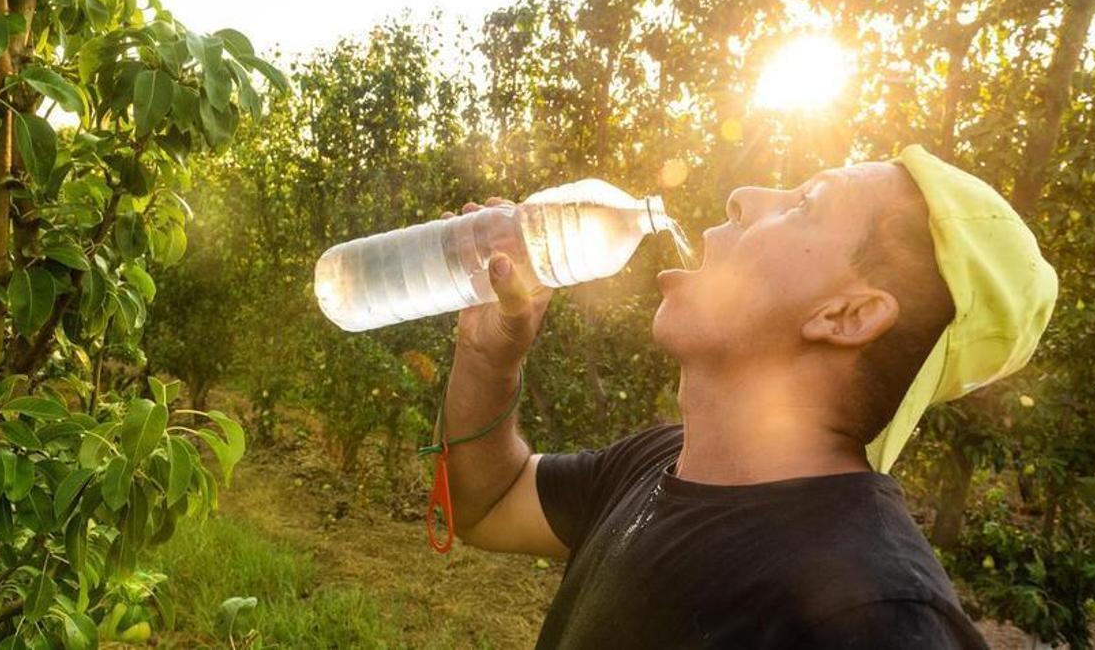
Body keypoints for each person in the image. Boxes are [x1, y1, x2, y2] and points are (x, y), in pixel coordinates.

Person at [432, 145, 1057, 648]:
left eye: (806, 203)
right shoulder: (659, 461)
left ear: (846, 315)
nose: (743, 196)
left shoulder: (878, 615)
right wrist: (491, 354)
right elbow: (485, 503)